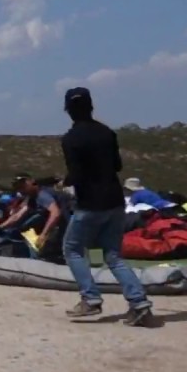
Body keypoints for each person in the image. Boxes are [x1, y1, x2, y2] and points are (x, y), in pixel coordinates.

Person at [59, 88, 154, 327]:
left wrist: (66, 181)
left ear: (69, 110)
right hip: (115, 200)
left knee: (72, 249)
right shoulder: (106, 133)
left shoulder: (71, 139)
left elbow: (77, 174)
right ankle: (139, 303)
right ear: (91, 107)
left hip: (90, 203)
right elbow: (118, 165)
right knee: (113, 256)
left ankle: (90, 298)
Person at [5, 173, 67, 252]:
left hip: (65, 223)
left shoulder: (42, 195)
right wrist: (2, 226)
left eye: (23, 186)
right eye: (18, 188)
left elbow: (55, 213)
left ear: (30, 182)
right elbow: (17, 216)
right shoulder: (32, 198)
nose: (21, 190)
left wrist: (43, 234)